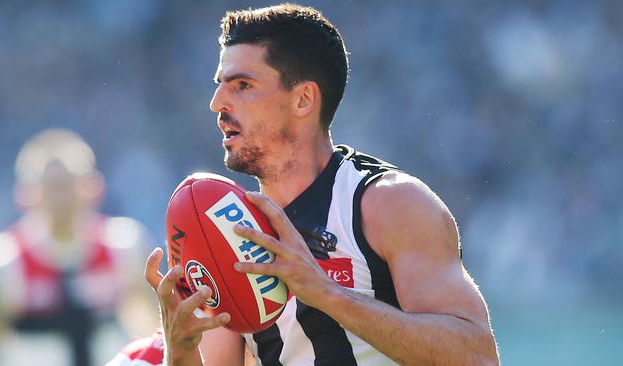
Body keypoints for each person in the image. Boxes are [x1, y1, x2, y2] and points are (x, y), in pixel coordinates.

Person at [143, 4, 499, 365]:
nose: (217, 103)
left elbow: (477, 356)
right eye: (220, 85)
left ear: (303, 99)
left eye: (243, 85)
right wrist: (181, 351)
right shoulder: (223, 231)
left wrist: (328, 293)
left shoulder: (388, 203)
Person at [0, 129, 157, 366]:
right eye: (51, 187)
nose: (60, 198)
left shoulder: (125, 246)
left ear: (93, 188)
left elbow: (161, 329)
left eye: (67, 185)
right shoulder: (3, 261)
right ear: (25, 195)